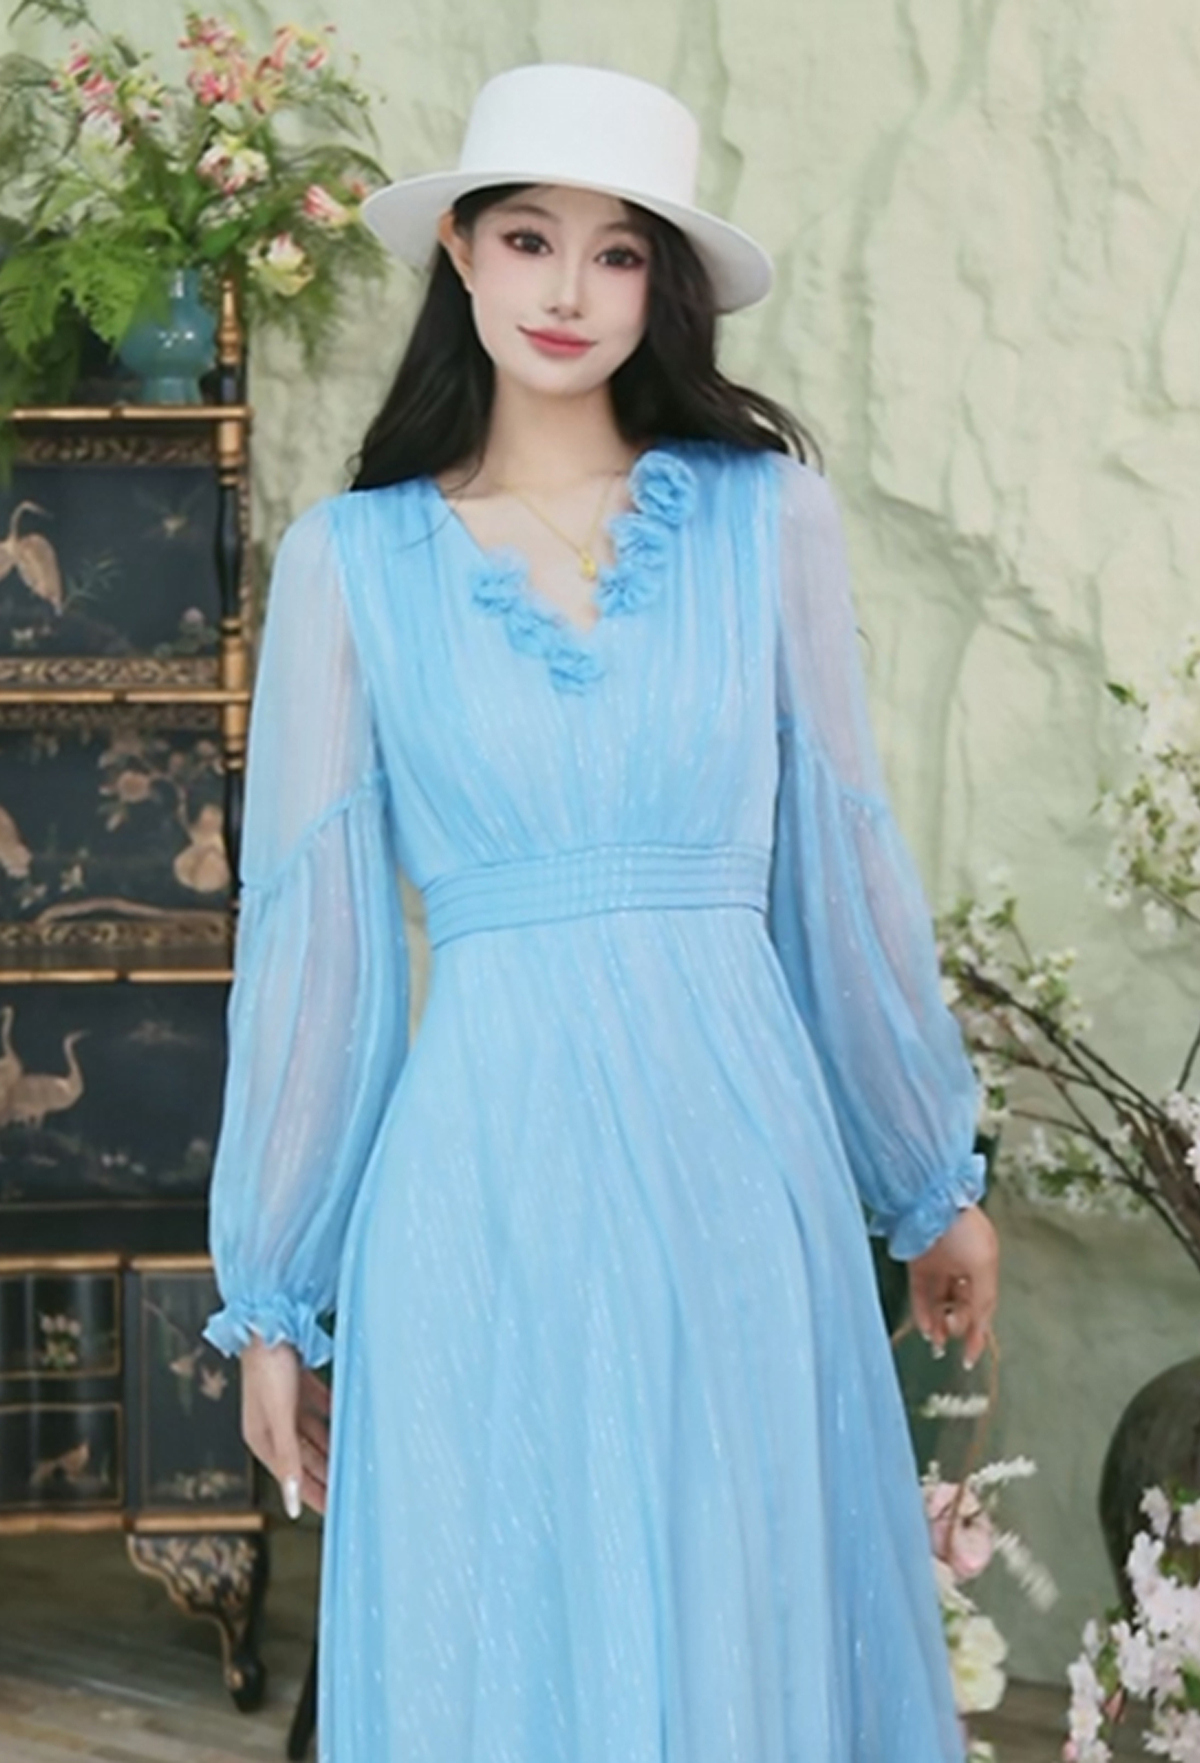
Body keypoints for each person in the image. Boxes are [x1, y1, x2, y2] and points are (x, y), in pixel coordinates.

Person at [202, 61, 999, 1763]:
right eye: (527, 237)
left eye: (619, 251)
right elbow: (314, 945)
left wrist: (928, 1177)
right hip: (481, 1186)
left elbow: (842, 863)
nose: (568, 288)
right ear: (461, 257)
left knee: (738, 1621)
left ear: (664, 287)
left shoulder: (770, 521)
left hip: (740, 1177)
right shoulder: (352, 565)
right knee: (512, 1640)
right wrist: (273, 1295)